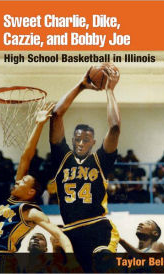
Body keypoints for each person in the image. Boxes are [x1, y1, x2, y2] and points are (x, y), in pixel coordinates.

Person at [49, 64, 120, 272]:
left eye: (86, 139)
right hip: (70, 231)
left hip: (97, 228)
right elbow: (56, 114)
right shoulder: (62, 157)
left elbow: (115, 127)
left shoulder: (100, 160)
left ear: (93, 142)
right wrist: (80, 86)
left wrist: (110, 91)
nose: (81, 142)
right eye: (77, 138)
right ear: (71, 140)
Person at [0, 103, 73, 273]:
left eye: (22, 181)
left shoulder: (30, 211)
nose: (17, 182)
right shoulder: (12, 200)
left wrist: (71, 259)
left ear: (31, 192)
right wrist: (38, 124)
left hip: (1, 259)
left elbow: (59, 234)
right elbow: (26, 157)